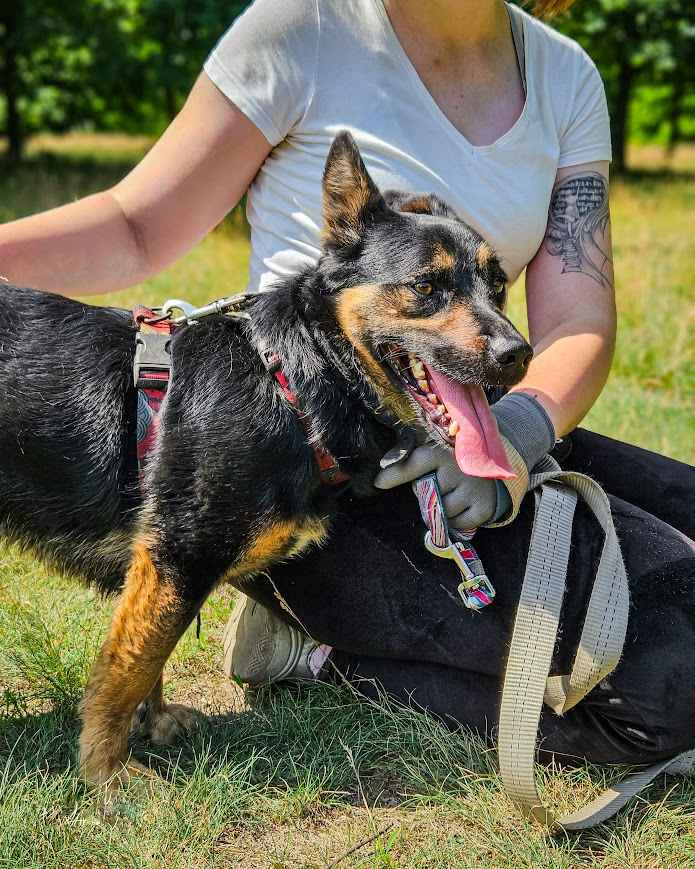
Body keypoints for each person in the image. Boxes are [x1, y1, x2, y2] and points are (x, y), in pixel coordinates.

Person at [2, 0, 694, 769]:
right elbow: (134, 225)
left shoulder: (566, 74)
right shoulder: (301, 26)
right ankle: (316, 649)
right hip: (306, 460)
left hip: (478, 420)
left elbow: (575, 320)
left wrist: (520, 436)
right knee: (667, 689)